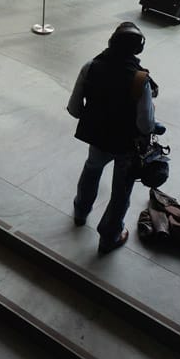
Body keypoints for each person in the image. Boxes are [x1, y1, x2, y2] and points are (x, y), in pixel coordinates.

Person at [68, 21, 157, 255]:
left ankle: (80, 212)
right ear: (138, 50)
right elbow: (144, 124)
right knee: (121, 191)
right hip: (126, 145)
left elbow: (75, 109)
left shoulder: (91, 66)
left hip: (97, 138)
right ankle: (110, 235)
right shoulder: (140, 80)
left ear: (111, 42)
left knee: (91, 170)